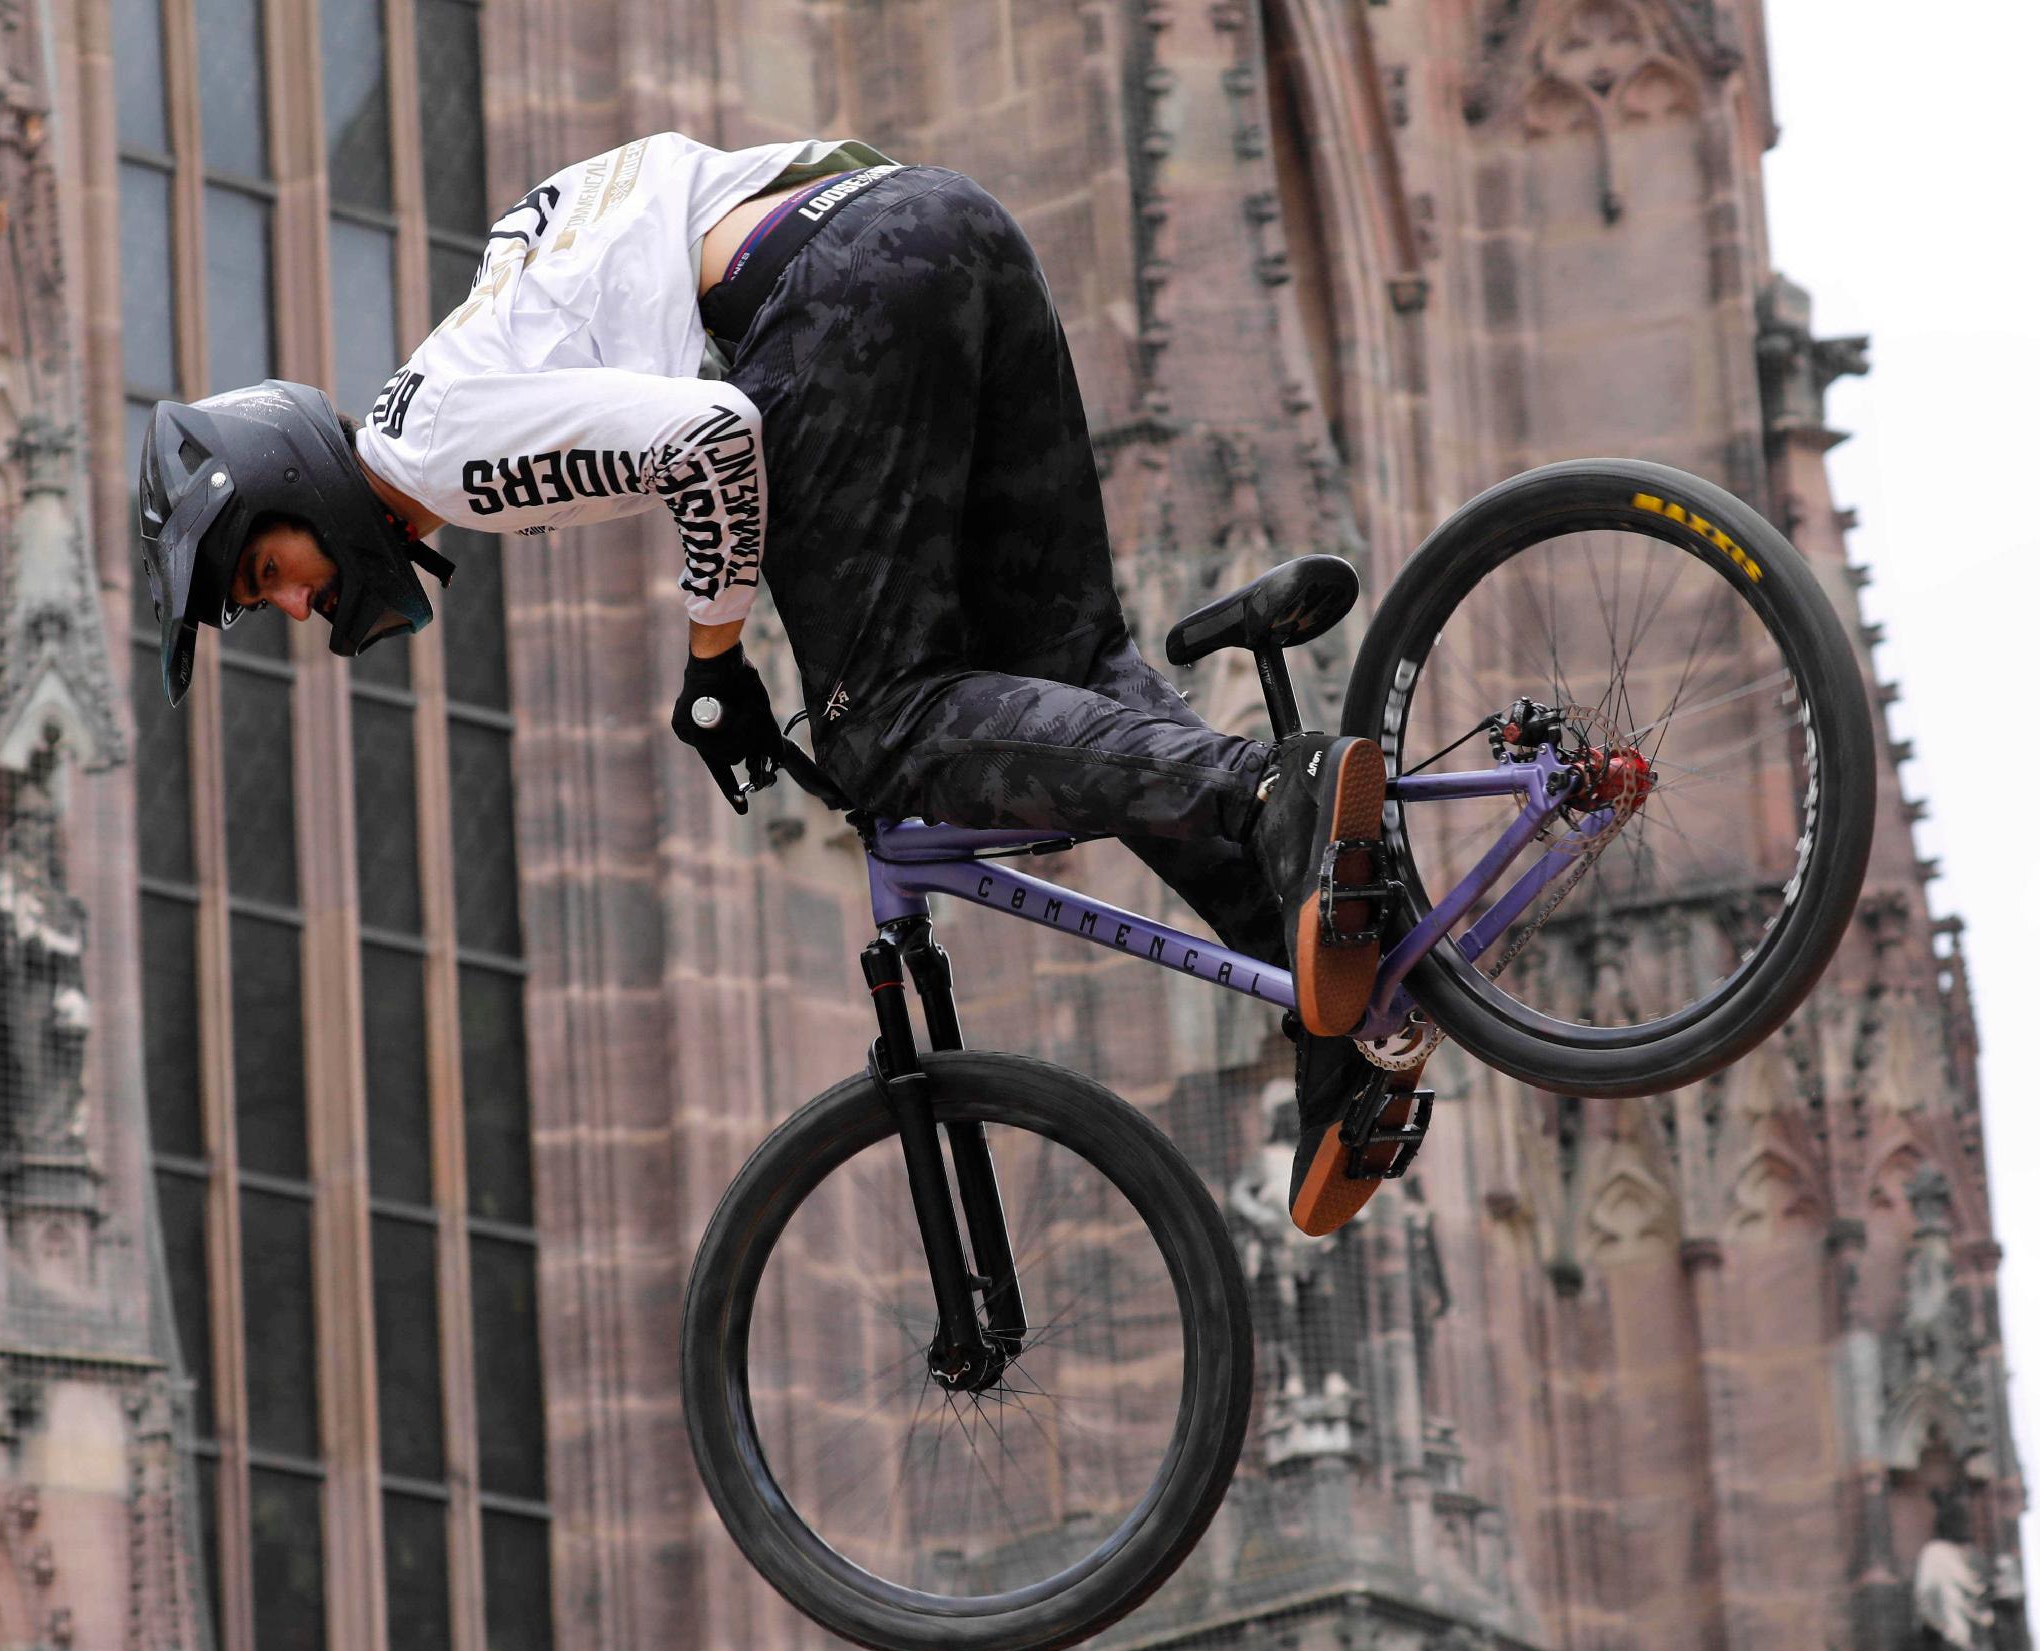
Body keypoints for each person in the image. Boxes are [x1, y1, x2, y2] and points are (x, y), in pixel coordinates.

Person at [134, 134, 1414, 1235]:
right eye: (268, 606)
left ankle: (1269, 784)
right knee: (1069, 670)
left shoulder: (441, 444)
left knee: (887, 730)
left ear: (292, 481)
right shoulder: (479, 344)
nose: (298, 605)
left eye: (268, 569)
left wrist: (713, 656)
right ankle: (1341, 1014)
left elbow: (716, 437)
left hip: (838, 292)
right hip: (949, 229)